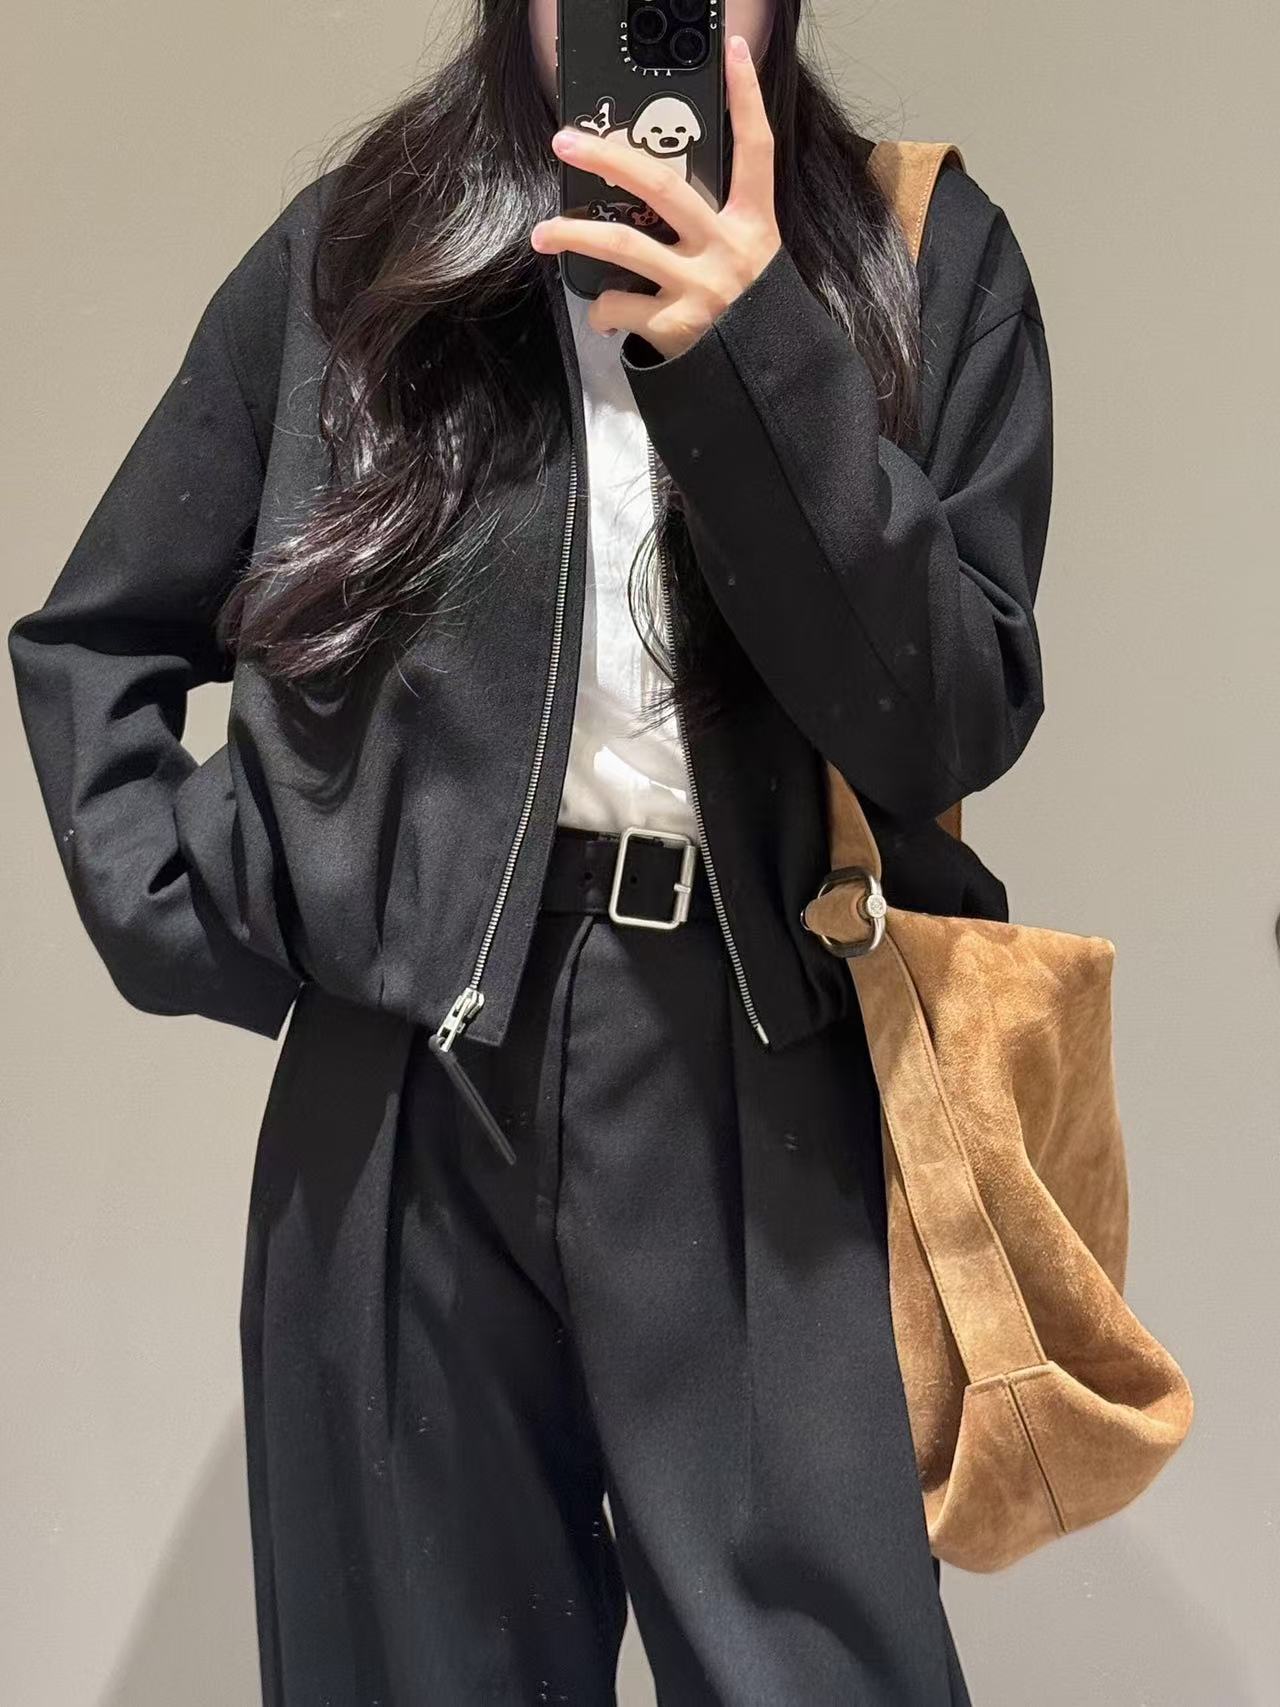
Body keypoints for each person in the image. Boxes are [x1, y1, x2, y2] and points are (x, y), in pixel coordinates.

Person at [7, 0, 1052, 1700]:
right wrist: (223, 902)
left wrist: (757, 353)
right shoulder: (365, 248)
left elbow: (951, 718)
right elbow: (97, 639)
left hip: (763, 1075)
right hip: (405, 1099)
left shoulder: (927, 252)